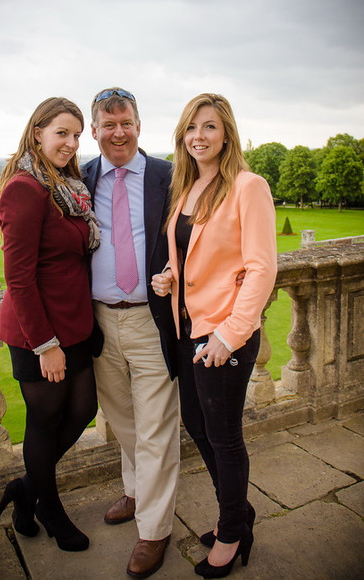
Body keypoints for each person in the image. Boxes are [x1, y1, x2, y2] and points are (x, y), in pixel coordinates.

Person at [152, 93, 277, 578]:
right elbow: (196, 255)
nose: (198, 136)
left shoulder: (248, 186)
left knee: (223, 436)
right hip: (188, 329)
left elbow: (261, 268)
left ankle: (231, 531)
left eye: (208, 127)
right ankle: (239, 511)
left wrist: (229, 335)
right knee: (197, 425)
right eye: (190, 128)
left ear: (226, 133)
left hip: (224, 334)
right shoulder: (186, 188)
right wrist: (169, 275)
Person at [0, 97, 101, 552]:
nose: (71, 143)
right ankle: (49, 510)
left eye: (77, 135)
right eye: (62, 133)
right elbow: (17, 277)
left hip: (74, 326)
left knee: (83, 410)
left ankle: (26, 487)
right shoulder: (24, 188)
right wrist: (45, 344)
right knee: (44, 419)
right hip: (39, 333)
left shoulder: (67, 185)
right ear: (37, 131)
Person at [81, 88, 179, 578]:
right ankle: (138, 491)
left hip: (150, 319)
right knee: (123, 419)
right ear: (94, 129)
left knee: (157, 426)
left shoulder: (168, 175)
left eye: (126, 122)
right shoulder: (79, 177)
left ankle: (155, 529)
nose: (118, 132)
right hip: (99, 319)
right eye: (108, 123)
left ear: (139, 125)